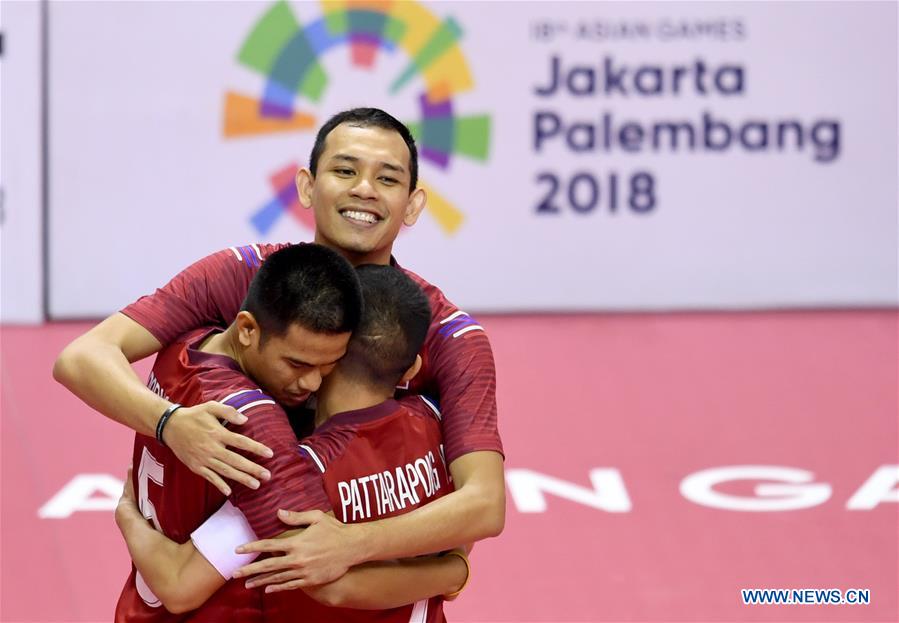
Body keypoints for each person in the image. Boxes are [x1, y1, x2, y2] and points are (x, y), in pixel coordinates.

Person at [53, 107, 505, 589]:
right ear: (308, 186)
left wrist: (357, 544)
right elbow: (82, 357)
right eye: (345, 170)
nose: (364, 190)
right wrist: (170, 424)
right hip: (229, 589)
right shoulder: (245, 276)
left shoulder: (446, 334)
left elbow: (484, 502)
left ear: (413, 204)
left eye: (387, 178)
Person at [113, 249, 467, 621]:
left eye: (321, 364)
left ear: (340, 351)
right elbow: (468, 524)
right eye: (299, 363)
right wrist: (457, 570)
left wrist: (126, 515)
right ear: (410, 367)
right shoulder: (437, 424)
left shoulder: (182, 350)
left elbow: (178, 584)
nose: (310, 380)